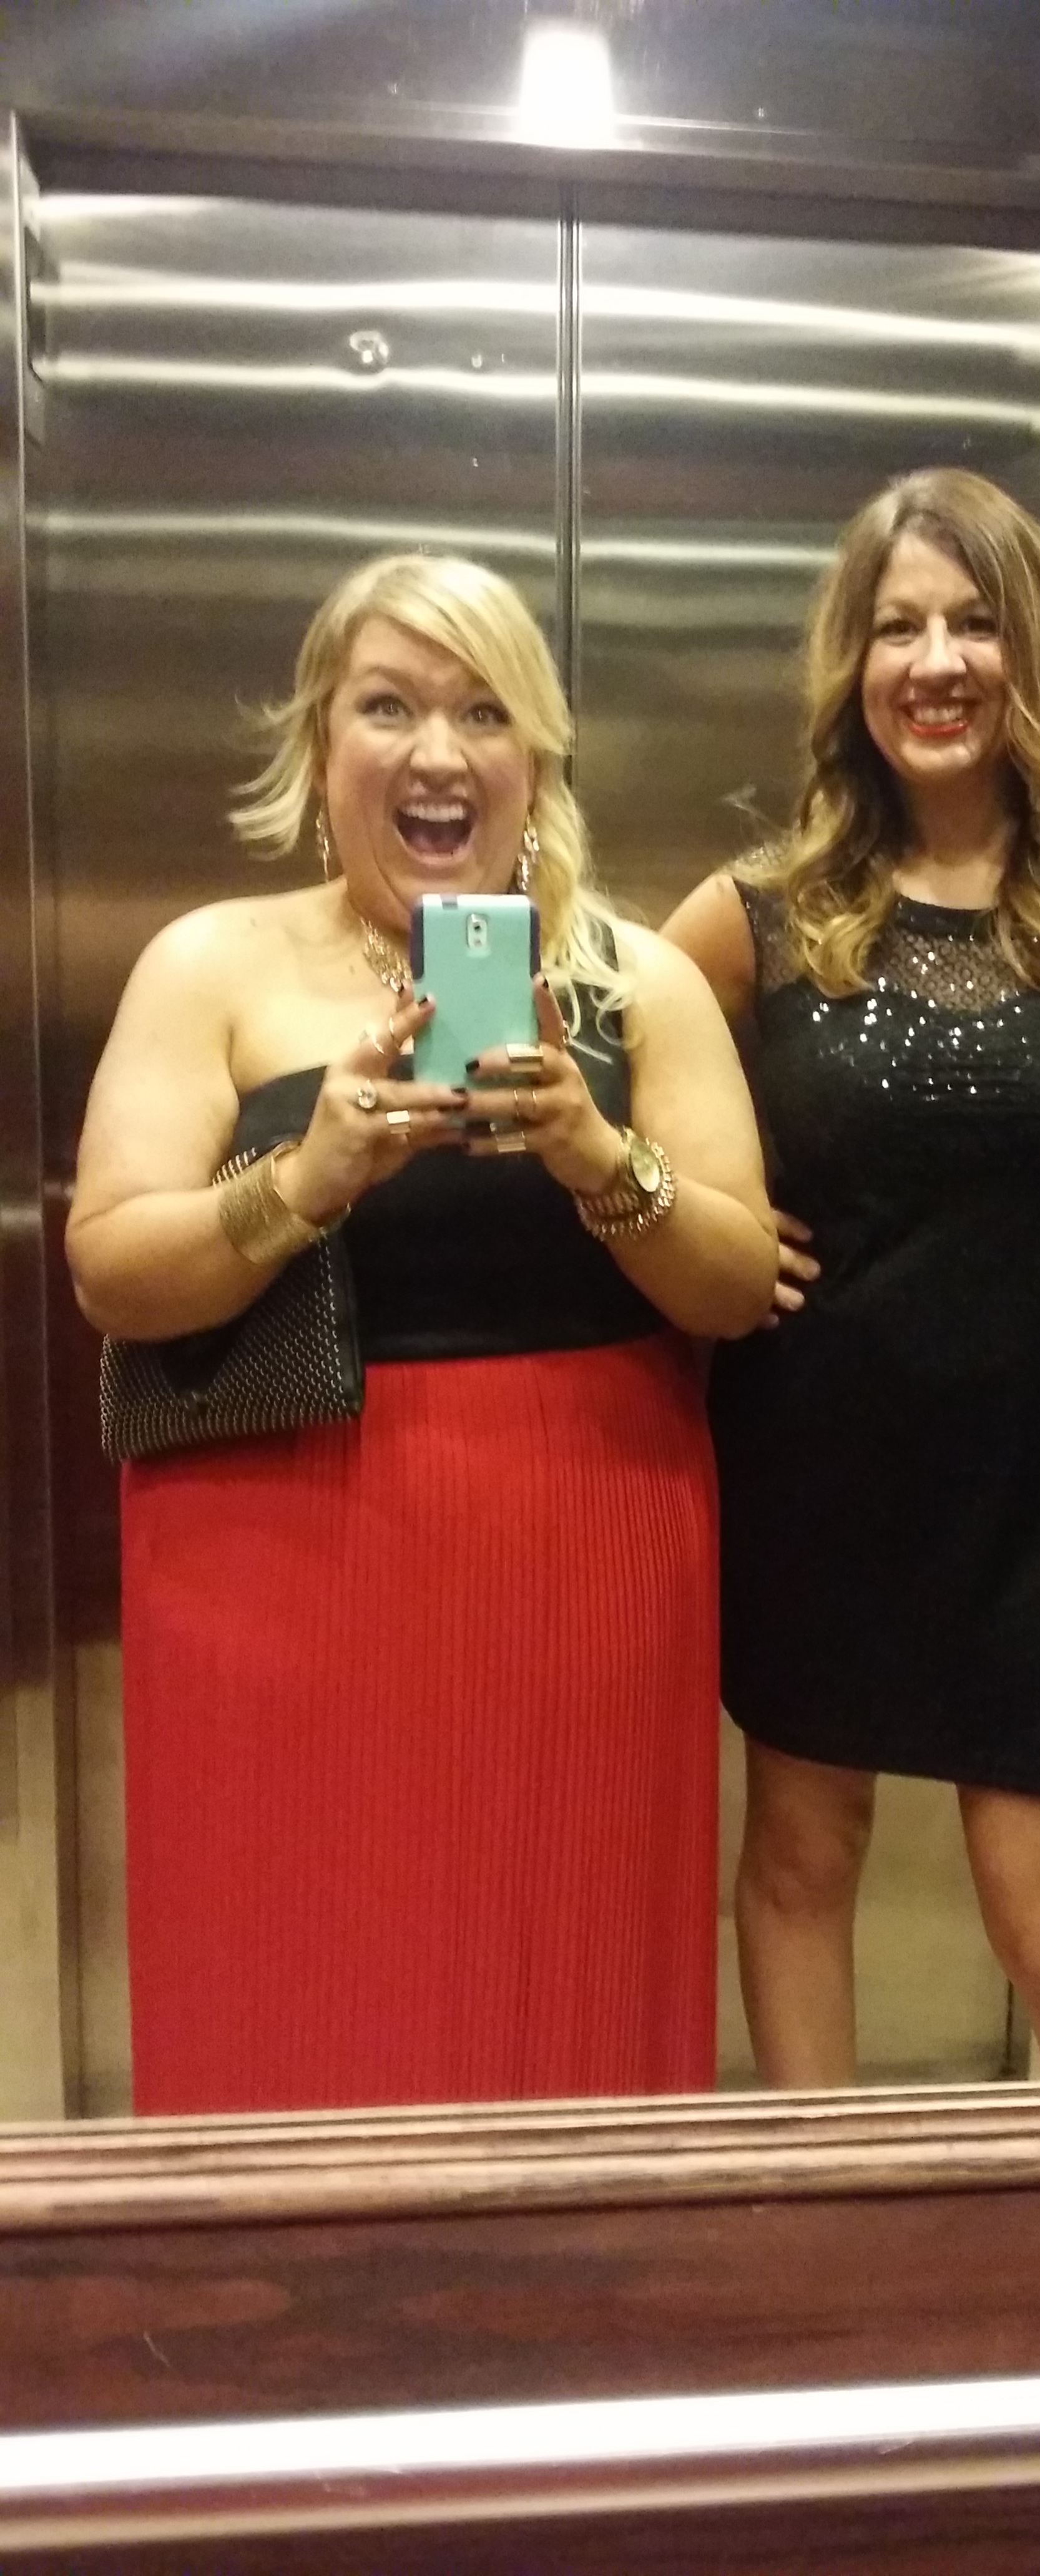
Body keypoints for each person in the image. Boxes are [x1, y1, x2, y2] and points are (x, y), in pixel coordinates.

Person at [67, 551, 777, 2115]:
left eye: (482, 711)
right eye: (387, 707)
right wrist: (302, 1182)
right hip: (266, 1567)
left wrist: (599, 1159)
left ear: (538, 757)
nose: (437, 752)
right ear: (319, 745)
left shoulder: (639, 983)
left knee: (562, 1959)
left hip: (587, 1557)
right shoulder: (210, 964)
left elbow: (736, 1289)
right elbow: (111, 1270)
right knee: (288, 1962)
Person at [664, 468, 1040, 2084]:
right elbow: (610, 1062)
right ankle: (825, 2214)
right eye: (897, 627)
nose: (935, 661)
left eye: (974, 622)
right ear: (851, 667)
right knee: (799, 1861)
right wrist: (698, 1221)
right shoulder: (767, 911)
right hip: (815, 1475)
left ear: (1033, 649)